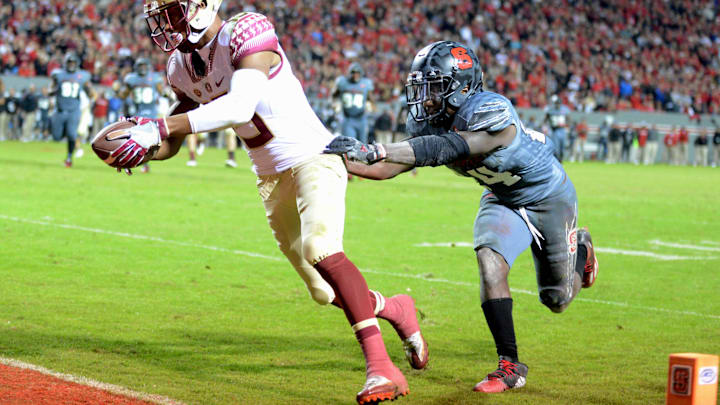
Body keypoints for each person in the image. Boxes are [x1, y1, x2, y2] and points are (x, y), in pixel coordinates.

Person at [102, 2, 428, 403]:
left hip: (314, 158)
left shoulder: (245, 31)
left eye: (172, 12)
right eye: (162, 16)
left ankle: (380, 368)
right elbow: (175, 138)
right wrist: (145, 146)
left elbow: (237, 107)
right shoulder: (180, 66)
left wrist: (160, 126)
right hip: (270, 179)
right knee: (323, 292)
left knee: (320, 248)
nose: (165, 24)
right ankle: (395, 308)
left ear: (203, 5)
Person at [325, 41, 599, 394]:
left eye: (435, 87)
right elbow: (390, 167)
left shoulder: (490, 111)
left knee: (557, 299)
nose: (425, 98)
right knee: (489, 262)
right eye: (422, 86)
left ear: (464, 85)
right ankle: (510, 365)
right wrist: (334, 159)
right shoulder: (432, 120)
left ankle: (583, 252)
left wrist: (376, 148)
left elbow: (447, 148)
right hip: (501, 196)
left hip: (549, 197)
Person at [120, 58, 164, 173]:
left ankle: (143, 163)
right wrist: (119, 92)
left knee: (147, 141)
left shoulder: (154, 78)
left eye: (144, 66)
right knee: (135, 139)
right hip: (137, 112)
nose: (142, 68)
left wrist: (166, 94)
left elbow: (162, 92)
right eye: (140, 66)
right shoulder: (132, 79)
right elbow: (123, 95)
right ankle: (133, 161)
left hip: (151, 112)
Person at [50, 53, 94, 167]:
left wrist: (91, 93)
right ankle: (65, 129)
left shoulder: (82, 76)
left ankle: (69, 157)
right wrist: (52, 91)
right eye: (70, 63)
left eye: (73, 63)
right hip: (60, 110)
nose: (71, 65)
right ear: (66, 63)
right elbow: (51, 89)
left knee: (72, 135)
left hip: (74, 110)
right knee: (56, 137)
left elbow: (90, 91)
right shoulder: (59, 75)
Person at [333, 63, 374, 144]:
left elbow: (370, 98)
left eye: (357, 73)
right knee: (351, 144)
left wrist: (369, 105)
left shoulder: (366, 83)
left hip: (361, 118)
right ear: (349, 73)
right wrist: (336, 104)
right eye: (353, 72)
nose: (355, 75)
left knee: (363, 145)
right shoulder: (342, 82)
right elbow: (335, 95)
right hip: (348, 118)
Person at [543, 94, 570, 162]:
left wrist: (566, 124)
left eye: (559, 103)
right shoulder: (551, 110)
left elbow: (568, 119)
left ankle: (561, 158)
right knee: (556, 146)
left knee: (563, 146)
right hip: (555, 130)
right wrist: (546, 126)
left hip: (562, 130)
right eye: (557, 103)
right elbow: (546, 119)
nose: (558, 105)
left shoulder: (565, 109)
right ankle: (557, 160)